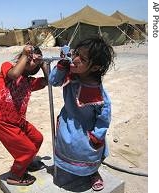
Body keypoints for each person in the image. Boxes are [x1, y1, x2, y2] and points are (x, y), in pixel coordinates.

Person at [48, 36, 115, 191]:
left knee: (89, 153)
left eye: (82, 58)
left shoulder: (97, 91)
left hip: (87, 129)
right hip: (67, 122)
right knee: (67, 148)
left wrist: (97, 136)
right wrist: (62, 65)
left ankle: (93, 172)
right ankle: (70, 168)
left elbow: (104, 116)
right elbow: (53, 81)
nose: (75, 59)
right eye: (75, 53)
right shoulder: (70, 74)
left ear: (95, 67)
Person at [0, 45, 48, 186]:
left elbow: (49, 81)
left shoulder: (30, 82)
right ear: (21, 57)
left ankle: (26, 163)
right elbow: (15, 74)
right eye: (29, 55)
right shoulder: (7, 67)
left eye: (34, 59)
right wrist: (25, 54)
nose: (31, 58)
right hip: (2, 121)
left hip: (18, 121)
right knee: (27, 150)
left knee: (37, 139)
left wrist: (43, 64)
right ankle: (15, 176)